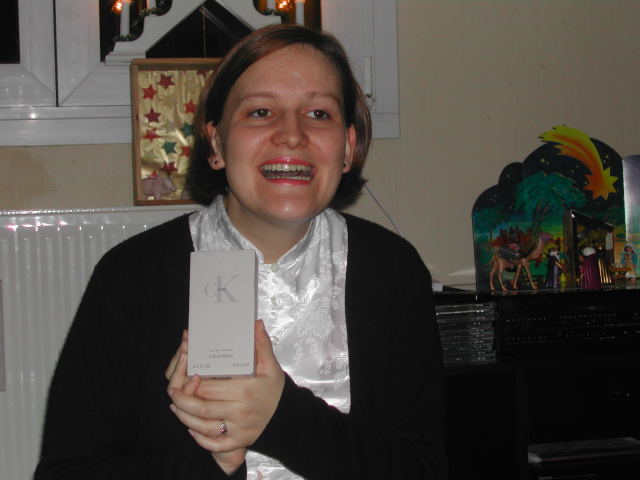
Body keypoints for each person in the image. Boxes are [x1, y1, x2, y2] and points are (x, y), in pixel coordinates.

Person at [35, 24, 446, 480]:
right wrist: (212, 461)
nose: (292, 135)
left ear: (348, 147)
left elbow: (424, 468)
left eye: (318, 114)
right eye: (261, 111)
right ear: (216, 144)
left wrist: (279, 416)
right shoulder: (133, 276)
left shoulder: (392, 271)